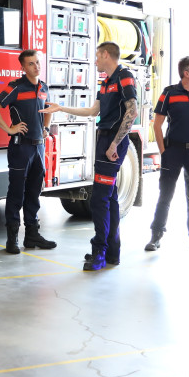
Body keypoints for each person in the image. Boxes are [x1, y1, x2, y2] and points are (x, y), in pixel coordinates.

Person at [42, 42, 137, 271]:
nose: (94, 60)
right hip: (104, 139)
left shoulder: (124, 76)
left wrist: (114, 143)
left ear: (106, 54)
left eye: (97, 56)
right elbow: (93, 111)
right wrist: (61, 108)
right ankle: (112, 252)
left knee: (99, 200)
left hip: (112, 142)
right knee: (110, 198)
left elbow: (132, 111)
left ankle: (99, 252)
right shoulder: (105, 82)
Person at [0, 50, 58, 255]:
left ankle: (32, 235)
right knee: (16, 193)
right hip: (21, 148)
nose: (36, 66)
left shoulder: (43, 87)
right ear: (23, 67)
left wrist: (45, 129)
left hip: (38, 147)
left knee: (34, 192)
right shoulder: (15, 87)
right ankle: (12, 238)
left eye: (37, 62)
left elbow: (48, 109)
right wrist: (10, 129)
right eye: (31, 64)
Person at [146, 56, 189, 253]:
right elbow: (157, 124)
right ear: (187, 73)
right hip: (173, 152)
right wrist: (163, 152)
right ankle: (155, 237)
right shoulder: (169, 93)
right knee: (165, 195)